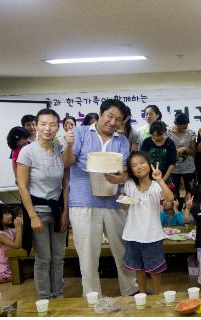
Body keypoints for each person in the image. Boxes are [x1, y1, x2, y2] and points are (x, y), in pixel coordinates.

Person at [62, 99, 138, 297]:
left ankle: (130, 290)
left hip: (114, 202)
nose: (113, 122)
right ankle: (92, 296)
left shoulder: (121, 141)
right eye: (110, 116)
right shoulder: (80, 133)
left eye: (118, 120)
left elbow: (125, 172)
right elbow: (67, 162)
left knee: (123, 249)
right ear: (101, 113)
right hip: (83, 202)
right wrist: (69, 146)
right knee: (87, 254)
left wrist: (121, 177)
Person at [17, 108, 69, 299]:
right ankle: (46, 297)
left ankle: (58, 294)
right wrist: (32, 216)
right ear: (36, 126)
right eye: (43, 124)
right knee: (43, 258)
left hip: (57, 210)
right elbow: (22, 186)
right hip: (37, 211)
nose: (48, 128)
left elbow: (65, 183)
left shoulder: (60, 149)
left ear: (58, 127)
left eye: (53, 124)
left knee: (58, 257)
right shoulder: (27, 151)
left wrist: (65, 213)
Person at [120, 151, 174, 294]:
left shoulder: (156, 186)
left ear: (149, 165)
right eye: (134, 165)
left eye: (142, 162)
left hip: (152, 236)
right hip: (132, 235)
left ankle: (156, 297)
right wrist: (123, 199)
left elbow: (170, 198)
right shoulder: (129, 184)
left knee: (155, 271)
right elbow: (124, 206)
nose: (139, 166)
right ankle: (142, 295)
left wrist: (160, 180)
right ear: (131, 170)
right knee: (139, 268)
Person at [0, 204, 23, 284]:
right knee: (23, 274)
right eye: (7, 214)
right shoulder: (0, 235)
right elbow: (17, 245)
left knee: (27, 270)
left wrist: (20, 227)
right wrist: (18, 228)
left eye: (10, 213)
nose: (10, 216)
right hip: (2, 268)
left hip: (9, 264)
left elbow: (18, 239)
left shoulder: (8, 230)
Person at [167, 112, 196, 200]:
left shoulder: (191, 133)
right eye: (180, 128)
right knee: (174, 192)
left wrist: (185, 149)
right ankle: (177, 211)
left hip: (188, 168)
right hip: (173, 168)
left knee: (190, 191)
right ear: (175, 123)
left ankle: (189, 210)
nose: (182, 129)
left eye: (185, 127)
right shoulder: (168, 132)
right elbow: (166, 150)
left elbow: (193, 152)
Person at [140, 120, 176, 188]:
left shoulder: (170, 143)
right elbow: (143, 160)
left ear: (164, 132)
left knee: (166, 196)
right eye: (153, 136)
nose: (156, 138)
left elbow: (172, 163)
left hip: (165, 176)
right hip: (148, 176)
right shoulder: (147, 142)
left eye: (159, 135)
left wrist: (162, 180)